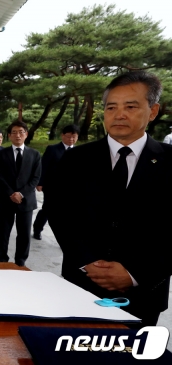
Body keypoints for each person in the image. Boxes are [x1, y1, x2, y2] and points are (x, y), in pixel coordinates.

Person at [51, 71, 172, 327]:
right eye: (111, 107)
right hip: (81, 286)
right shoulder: (76, 159)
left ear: (153, 111)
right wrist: (87, 263)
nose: (119, 114)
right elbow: (60, 214)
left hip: (143, 294)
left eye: (131, 106)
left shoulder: (170, 161)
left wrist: (136, 274)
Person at [0, 121, 41, 267]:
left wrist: (21, 193)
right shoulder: (2, 153)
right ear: (9, 135)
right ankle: (3, 258)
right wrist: (11, 193)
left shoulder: (34, 154)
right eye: (14, 132)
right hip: (6, 199)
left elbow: (35, 178)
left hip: (26, 201)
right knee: (4, 232)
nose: (17, 135)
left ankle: (20, 261)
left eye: (21, 131)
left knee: (24, 233)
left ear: (26, 134)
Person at [32, 124, 79, 240]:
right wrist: (40, 182)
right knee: (48, 209)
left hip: (70, 188)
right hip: (52, 186)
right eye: (69, 137)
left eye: (74, 137)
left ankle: (64, 235)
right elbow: (44, 166)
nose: (71, 139)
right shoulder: (52, 149)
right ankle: (37, 228)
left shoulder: (79, 151)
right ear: (62, 135)